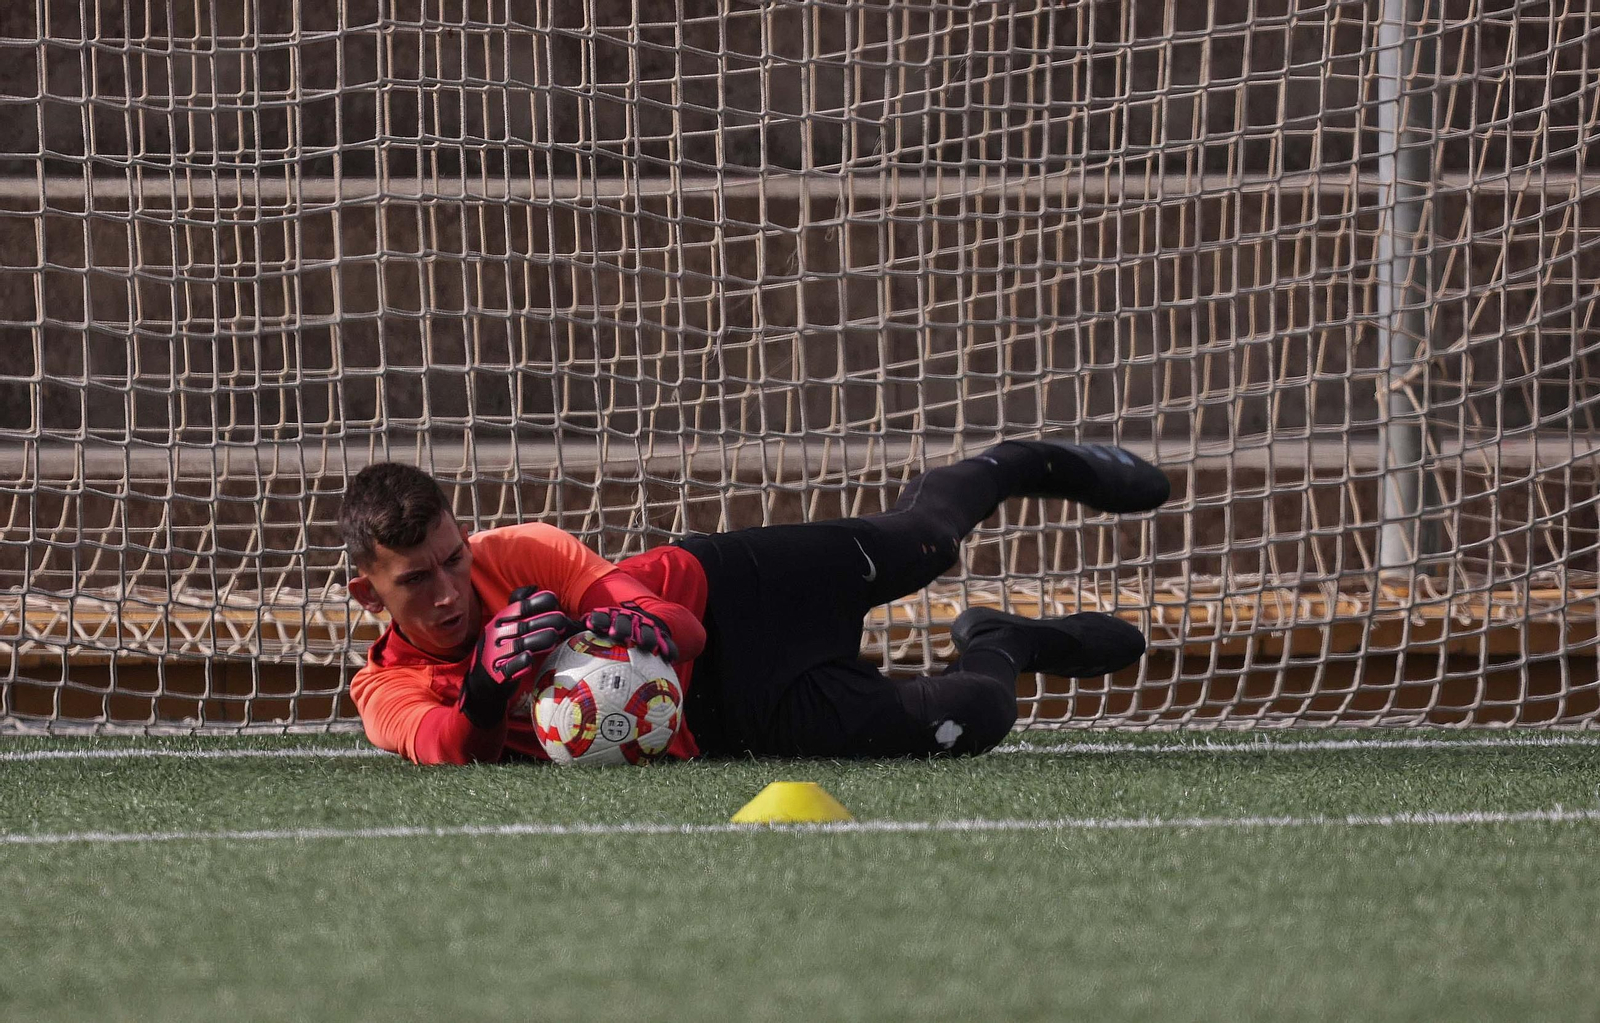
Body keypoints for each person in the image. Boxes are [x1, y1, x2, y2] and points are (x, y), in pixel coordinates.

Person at [342, 441, 1170, 764]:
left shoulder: (521, 551)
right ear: (367, 593)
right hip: (731, 719)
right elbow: (448, 746)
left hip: (738, 589)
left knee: (924, 543)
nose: (449, 591)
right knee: (972, 719)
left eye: (454, 558)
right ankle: (1006, 640)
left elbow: (683, 626)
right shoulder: (382, 688)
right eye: (416, 580)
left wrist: (639, 624)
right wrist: (486, 686)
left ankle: (1028, 461)